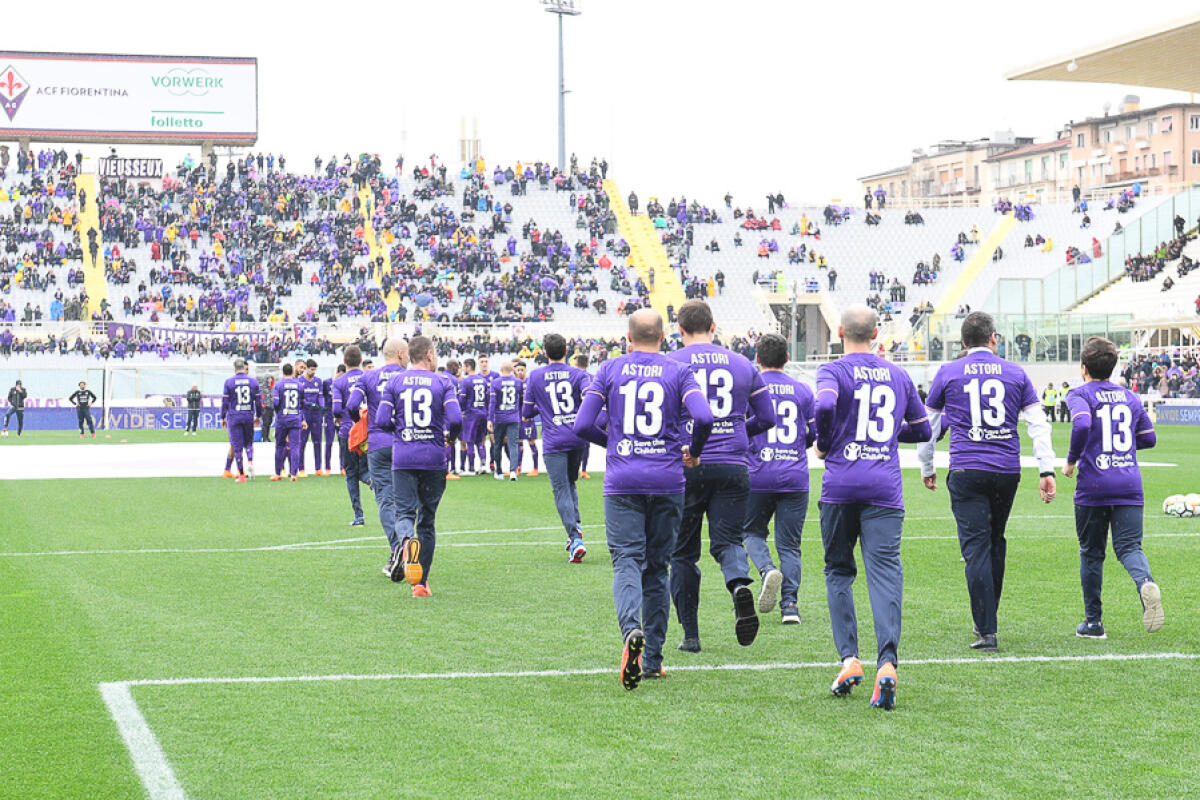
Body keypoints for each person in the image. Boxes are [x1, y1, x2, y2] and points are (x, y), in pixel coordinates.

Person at [574, 309, 714, 688]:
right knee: (657, 568)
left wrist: (616, 444)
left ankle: (630, 632)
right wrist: (694, 451)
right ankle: (652, 658)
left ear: (628, 336)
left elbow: (583, 425)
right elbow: (703, 417)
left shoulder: (609, 370)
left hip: (623, 481)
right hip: (667, 480)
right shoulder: (678, 371)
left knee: (626, 563)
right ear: (665, 335)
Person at [916, 312, 1056, 651]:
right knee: (996, 540)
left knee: (976, 547)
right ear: (994, 338)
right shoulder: (1016, 372)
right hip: (1006, 469)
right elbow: (1038, 423)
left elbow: (928, 426)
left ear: (963, 343)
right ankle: (988, 617)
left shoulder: (949, 371)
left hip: (967, 468)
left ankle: (986, 629)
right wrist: (1046, 469)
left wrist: (927, 466)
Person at [815, 305, 930, 710]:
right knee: (884, 573)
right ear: (877, 334)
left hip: (842, 484)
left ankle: (850, 658)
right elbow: (923, 429)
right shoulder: (898, 375)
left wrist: (827, 440)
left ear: (841, 332)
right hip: (884, 485)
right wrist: (885, 434)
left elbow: (825, 407)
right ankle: (888, 663)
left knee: (838, 570)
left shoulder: (833, 371)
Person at [669, 299, 777, 651]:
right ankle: (739, 584)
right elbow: (768, 417)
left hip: (686, 464)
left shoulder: (671, 362)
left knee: (683, 553)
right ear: (713, 326)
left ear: (680, 329)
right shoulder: (743, 363)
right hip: (732, 462)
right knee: (728, 540)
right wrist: (738, 430)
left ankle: (691, 636)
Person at [1063, 337, 1163, 639]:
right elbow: (1149, 438)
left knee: (1091, 553)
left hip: (1094, 485)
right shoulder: (1129, 397)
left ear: (1084, 368)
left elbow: (1081, 424)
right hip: (1129, 484)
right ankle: (1145, 581)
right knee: (1130, 547)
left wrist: (1071, 461)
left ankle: (1093, 623)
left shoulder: (1079, 394)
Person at [378, 336, 462, 596]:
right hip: (433, 457)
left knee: (404, 515)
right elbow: (456, 418)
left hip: (403, 456)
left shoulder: (395, 381)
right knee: (427, 520)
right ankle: (421, 584)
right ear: (428, 355)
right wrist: (451, 437)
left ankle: (405, 542)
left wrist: (402, 430)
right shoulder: (443, 382)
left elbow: (381, 420)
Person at [742, 333, 815, 626]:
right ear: (787, 357)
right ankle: (790, 605)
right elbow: (813, 434)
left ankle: (765, 570)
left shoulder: (749, 389)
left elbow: (741, 429)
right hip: (794, 474)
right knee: (790, 545)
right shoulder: (802, 390)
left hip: (757, 473)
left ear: (757, 359)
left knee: (750, 532)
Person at [522, 333, 593, 563]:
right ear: (567, 351)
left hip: (554, 440)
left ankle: (575, 539)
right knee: (571, 483)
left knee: (561, 488)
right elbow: (590, 398)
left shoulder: (535, 376)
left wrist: (543, 407)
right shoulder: (579, 374)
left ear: (544, 352)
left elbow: (526, 413)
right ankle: (577, 525)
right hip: (577, 437)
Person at [348, 337, 409, 574]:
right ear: (402, 354)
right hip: (404, 443)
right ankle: (409, 548)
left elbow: (352, 405)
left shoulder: (368, 376)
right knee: (406, 501)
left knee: (385, 499)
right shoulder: (409, 377)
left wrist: (363, 424)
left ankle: (397, 550)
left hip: (377, 444)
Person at [331, 348, 373, 526]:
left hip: (348, 432)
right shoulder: (370, 377)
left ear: (345, 361)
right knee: (365, 470)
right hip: (368, 432)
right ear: (361, 359)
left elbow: (336, 409)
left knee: (351, 474)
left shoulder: (339, 382)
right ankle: (373, 481)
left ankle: (359, 516)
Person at [220, 359, 261, 483]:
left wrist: (222, 417)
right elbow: (258, 402)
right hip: (248, 415)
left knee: (237, 447)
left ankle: (242, 475)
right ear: (244, 367)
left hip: (234, 416)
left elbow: (225, 402)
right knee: (249, 443)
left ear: (234, 368)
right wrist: (258, 416)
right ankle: (250, 461)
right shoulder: (253, 381)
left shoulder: (229, 382)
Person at [489, 361, 523, 481]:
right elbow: (521, 399)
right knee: (513, 445)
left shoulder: (495, 382)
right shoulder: (518, 382)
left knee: (497, 444)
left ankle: (498, 471)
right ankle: (513, 471)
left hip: (499, 417)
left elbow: (492, 402)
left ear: (501, 369)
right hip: (513, 416)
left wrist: (489, 419)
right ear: (512, 369)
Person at [271, 363, 306, 482]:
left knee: (279, 446)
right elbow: (302, 404)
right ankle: (294, 474)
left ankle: (277, 473)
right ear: (292, 372)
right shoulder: (299, 385)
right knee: (295, 446)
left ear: (282, 372)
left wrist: (278, 412)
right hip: (295, 418)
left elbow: (275, 403)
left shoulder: (278, 385)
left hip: (283, 418)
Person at [458, 358, 490, 475]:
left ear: (467, 366)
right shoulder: (484, 380)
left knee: (470, 441)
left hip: (471, 414)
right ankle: (483, 465)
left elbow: (462, 399)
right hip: (483, 413)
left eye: (464, 367)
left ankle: (471, 468)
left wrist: (462, 410)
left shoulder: (466, 381)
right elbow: (488, 399)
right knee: (480, 441)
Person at [512, 360, 540, 476]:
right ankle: (518, 467)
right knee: (519, 443)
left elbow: (537, 399)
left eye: (522, 370)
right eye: (518, 370)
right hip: (518, 418)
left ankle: (535, 468)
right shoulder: (514, 383)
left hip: (528, 418)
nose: (520, 372)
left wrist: (530, 414)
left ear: (525, 370)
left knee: (531, 442)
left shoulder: (530, 382)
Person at [299, 359, 325, 476]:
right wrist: (307, 405)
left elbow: (320, 396)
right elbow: (300, 400)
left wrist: (322, 408)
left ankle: (318, 468)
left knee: (317, 441)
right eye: (311, 369)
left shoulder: (318, 381)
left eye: (315, 369)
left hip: (316, 415)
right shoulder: (300, 381)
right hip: (305, 415)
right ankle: (301, 469)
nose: (313, 372)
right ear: (306, 368)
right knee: (302, 442)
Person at [573, 354, 593, 479]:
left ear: (575, 364)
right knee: (586, 444)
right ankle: (584, 470)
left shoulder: (572, 377)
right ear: (588, 364)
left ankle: (573, 469)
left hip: (572, 413)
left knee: (572, 442)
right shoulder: (593, 377)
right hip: (587, 415)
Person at [259, 376, 275, 443]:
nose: (270, 380)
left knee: (269, 423)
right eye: (268, 378)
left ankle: (267, 437)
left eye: (271, 378)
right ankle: (264, 437)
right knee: (265, 423)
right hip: (265, 408)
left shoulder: (272, 388)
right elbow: (261, 397)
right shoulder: (262, 388)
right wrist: (263, 405)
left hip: (271, 407)